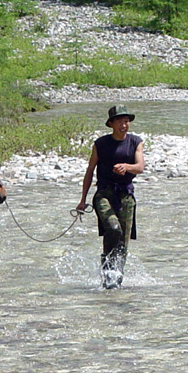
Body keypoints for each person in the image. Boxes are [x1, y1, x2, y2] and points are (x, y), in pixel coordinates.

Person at [76, 104, 145, 289]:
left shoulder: (135, 142)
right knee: (113, 228)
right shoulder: (101, 144)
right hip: (104, 194)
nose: (124, 125)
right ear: (111, 123)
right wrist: (83, 200)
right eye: (120, 121)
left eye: (126, 121)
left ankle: (116, 281)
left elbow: (140, 167)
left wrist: (127, 167)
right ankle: (106, 270)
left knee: (123, 241)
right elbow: (90, 171)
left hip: (126, 196)